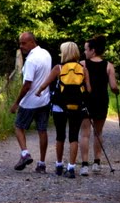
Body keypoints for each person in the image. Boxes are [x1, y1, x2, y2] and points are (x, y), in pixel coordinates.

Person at [35, 41, 87, 178]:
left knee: (60, 136)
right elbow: (89, 89)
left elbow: (45, 84)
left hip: (59, 106)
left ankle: (59, 165)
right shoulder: (83, 69)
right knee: (74, 137)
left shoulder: (58, 68)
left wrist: (38, 92)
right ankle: (71, 168)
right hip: (77, 106)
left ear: (64, 53)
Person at [10, 31, 51, 173]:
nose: (21, 46)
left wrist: (17, 102)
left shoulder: (31, 60)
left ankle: (25, 153)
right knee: (42, 130)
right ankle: (42, 163)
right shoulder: (46, 54)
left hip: (29, 102)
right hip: (44, 100)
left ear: (32, 42)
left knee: (18, 126)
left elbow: (27, 84)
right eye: (20, 43)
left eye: (24, 43)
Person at [79, 35, 119, 176]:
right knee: (98, 132)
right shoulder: (109, 66)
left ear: (93, 50)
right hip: (101, 100)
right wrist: (117, 91)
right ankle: (96, 163)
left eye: (86, 49)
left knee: (85, 133)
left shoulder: (82, 64)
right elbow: (113, 86)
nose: (84, 52)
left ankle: (84, 165)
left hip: (86, 100)